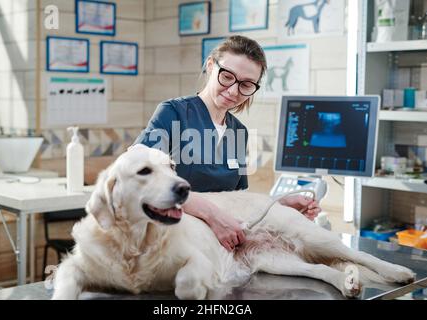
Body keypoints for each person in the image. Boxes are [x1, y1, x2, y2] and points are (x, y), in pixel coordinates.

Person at [135, 35, 321, 251]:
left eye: (246, 84)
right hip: (170, 243)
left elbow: (238, 201)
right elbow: (144, 181)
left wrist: (279, 204)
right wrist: (213, 215)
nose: (234, 91)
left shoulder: (239, 132)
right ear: (211, 66)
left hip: (219, 248)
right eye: (227, 77)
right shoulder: (173, 113)